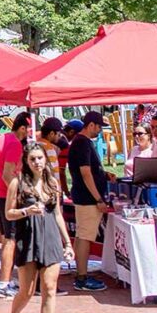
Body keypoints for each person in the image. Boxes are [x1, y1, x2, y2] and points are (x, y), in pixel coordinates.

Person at [4, 143, 74, 313]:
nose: (37, 162)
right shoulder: (17, 183)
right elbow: (8, 213)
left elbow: (58, 214)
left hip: (50, 238)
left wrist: (67, 242)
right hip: (29, 238)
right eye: (32, 159)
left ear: (46, 160)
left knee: (49, 288)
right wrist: (26, 211)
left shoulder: (52, 183)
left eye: (40, 158)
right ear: (26, 161)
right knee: (26, 290)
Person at [67, 111, 113, 292]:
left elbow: (89, 171)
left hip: (82, 196)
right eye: (99, 126)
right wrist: (98, 199)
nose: (100, 130)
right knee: (85, 237)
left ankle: (81, 273)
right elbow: (86, 173)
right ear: (91, 125)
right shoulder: (83, 144)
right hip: (87, 199)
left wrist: (103, 174)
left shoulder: (80, 143)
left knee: (81, 236)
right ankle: (82, 278)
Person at [0, 112, 31, 298]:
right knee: (10, 241)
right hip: (5, 196)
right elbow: (7, 174)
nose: (30, 134)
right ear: (23, 128)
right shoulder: (14, 143)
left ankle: (6, 279)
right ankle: (4, 284)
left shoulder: (2, 138)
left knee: (7, 238)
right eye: (29, 129)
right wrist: (18, 196)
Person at [57, 119, 83, 197]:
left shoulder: (58, 137)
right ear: (71, 132)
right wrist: (66, 192)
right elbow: (61, 172)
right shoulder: (64, 145)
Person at [35, 117, 64, 186]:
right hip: (50, 189)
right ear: (51, 133)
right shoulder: (49, 149)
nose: (59, 137)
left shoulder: (35, 145)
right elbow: (53, 173)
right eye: (58, 134)